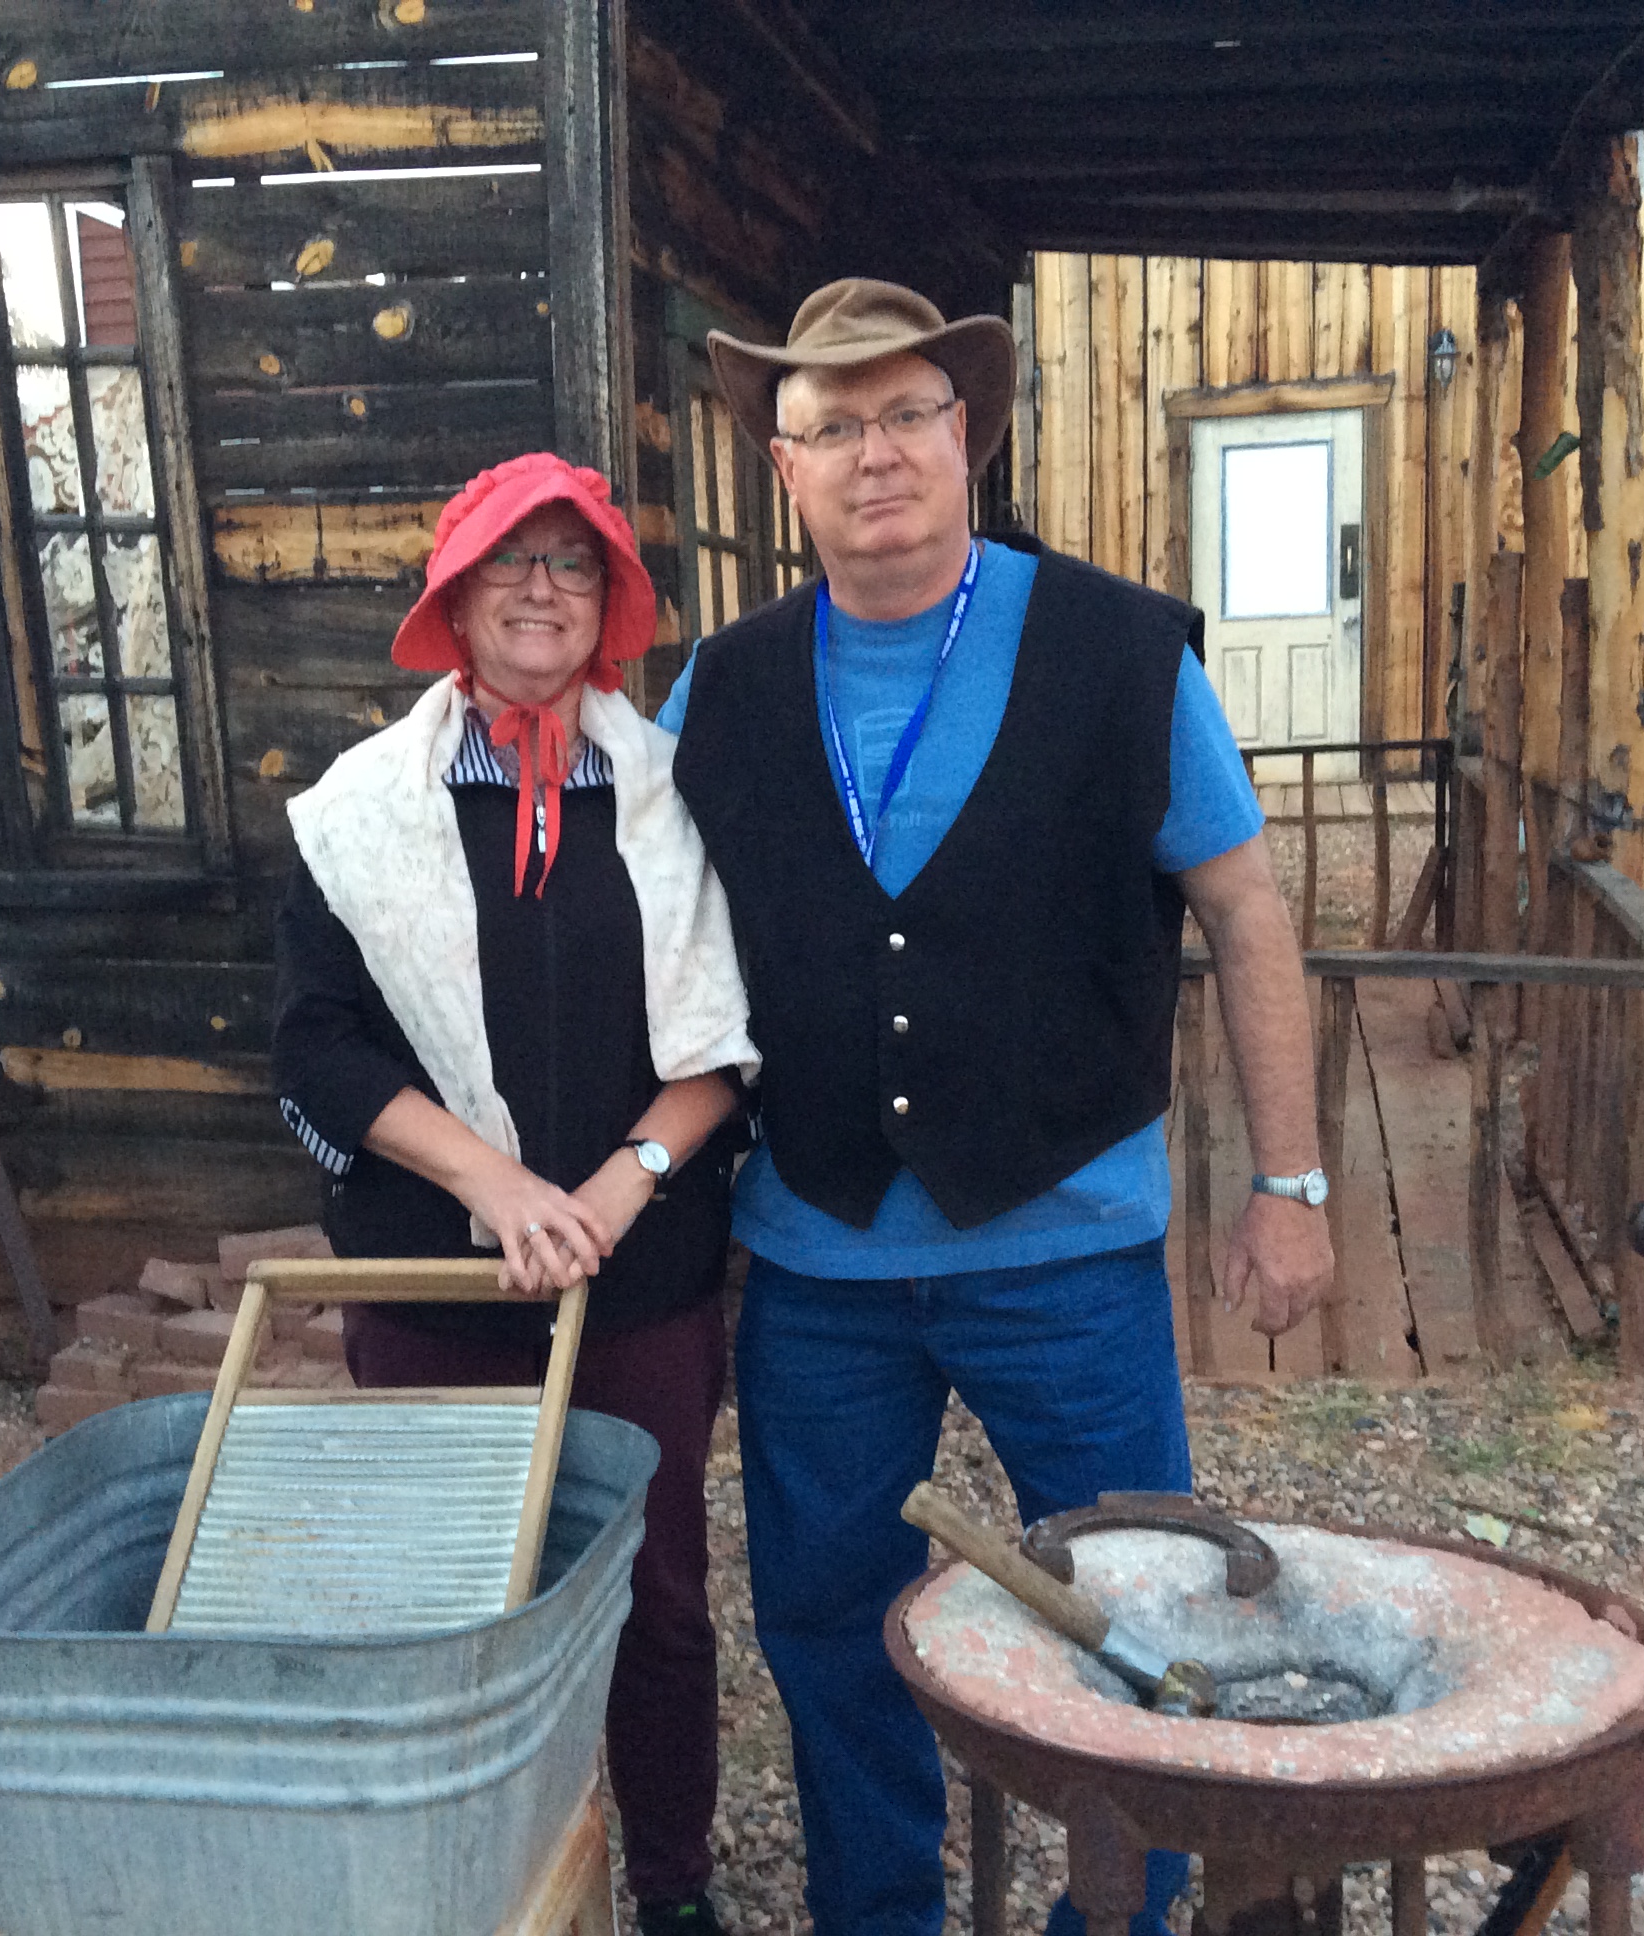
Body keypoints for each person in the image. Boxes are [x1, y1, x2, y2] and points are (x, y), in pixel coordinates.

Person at [655, 280, 1335, 1936]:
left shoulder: (1119, 652)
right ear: (784, 468)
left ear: (969, 436)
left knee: (1139, 1609)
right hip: (819, 1263)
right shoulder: (718, 689)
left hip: (1068, 1252)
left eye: (906, 413)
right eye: (831, 426)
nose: (873, 452)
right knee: (826, 1621)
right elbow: (635, 931)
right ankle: (877, 1911)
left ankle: (1117, 1917)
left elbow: (1248, 915)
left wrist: (1294, 1183)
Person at [271, 452, 758, 1936]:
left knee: (656, 1603)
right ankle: (489, 1885)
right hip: (435, 1285)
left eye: (574, 562)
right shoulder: (358, 813)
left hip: (638, 1285)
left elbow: (727, 1041)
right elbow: (318, 1045)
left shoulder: (671, 799)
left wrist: (615, 1192)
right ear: (455, 592)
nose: (542, 587)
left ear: (610, 602)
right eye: (510, 560)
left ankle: (669, 1885)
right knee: (457, 1605)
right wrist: (492, 1181)